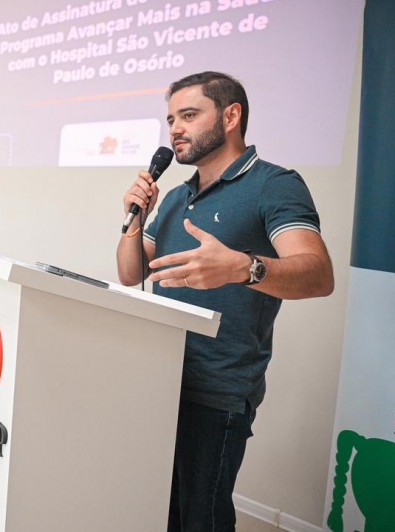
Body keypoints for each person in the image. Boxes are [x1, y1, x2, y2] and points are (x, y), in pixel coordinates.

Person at [115, 72, 334, 531]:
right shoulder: (176, 196)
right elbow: (131, 272)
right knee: (161, 512)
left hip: (218, 390)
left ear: (231, 116)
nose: (175, 128)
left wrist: (243, 267)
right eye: (171, 118)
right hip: (158, 376)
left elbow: (318, 274)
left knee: (202, 519)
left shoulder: (274, 184)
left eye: (189, 115)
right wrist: (137, 217)